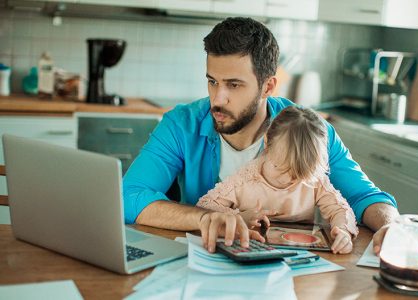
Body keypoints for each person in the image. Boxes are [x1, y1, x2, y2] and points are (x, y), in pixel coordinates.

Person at [123, 17, 399, 254]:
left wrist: (391, 227)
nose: (217, 99)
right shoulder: (181, 124)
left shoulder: (309, 130)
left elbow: (365, 196)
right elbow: (129, 197)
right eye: (212, 81)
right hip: (205, 261)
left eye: (234, 85)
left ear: (268, 86)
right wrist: (209, 217)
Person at [197, 106, 359, 254]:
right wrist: (238, 216)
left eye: (298, 174)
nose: (288, 180)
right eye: (280, 168)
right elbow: (205, 205)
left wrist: (343, 231)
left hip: (298, 256)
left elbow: (340, 209)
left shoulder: (315, 181)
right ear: (267, 142)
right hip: (252, 252)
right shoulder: (245, 179)